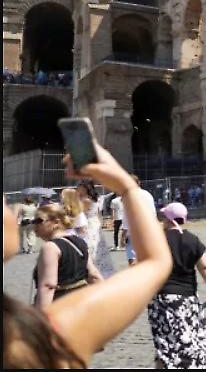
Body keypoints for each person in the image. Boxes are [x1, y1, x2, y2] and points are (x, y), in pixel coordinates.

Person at [3, 142, 172, 368]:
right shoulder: (48, 327)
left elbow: (49, 285)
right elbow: (156, 263)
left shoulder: (56, 246)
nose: (15, 211)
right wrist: (127, 188)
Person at [147, 202, 206, 368]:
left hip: (162, 300)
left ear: (168, 219)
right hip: (187, 299)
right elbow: (205, 267)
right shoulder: (192, 239)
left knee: (166, 343)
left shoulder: (157, 240)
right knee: (196, 336)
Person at [33, 203, 104, 309]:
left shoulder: (50, 247)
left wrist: (41, 315)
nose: (34, 225)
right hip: (83, 301)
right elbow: (93, 275)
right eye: (33, 221)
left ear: (56, 222)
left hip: (61, 304)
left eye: (39, 221)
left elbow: (48, 286)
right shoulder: (79, 241)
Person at [77, 180, 114, 278]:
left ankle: (91, 268)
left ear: (85, 189)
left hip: (88, 222)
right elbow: (98, 213)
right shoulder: (95, 198)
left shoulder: (85, 200)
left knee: (89, 245)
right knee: (97, 244)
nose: (78, 190)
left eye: (80, 188)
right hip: (94, 222)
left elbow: (79, 212)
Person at [122, 176, 158, 266]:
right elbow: (153, 213)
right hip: (148, 229)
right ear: (139, 183)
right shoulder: (147, 194)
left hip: (134, 231)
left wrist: (123, 235)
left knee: (132, 258)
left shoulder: (128, 195)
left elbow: (126, 217)